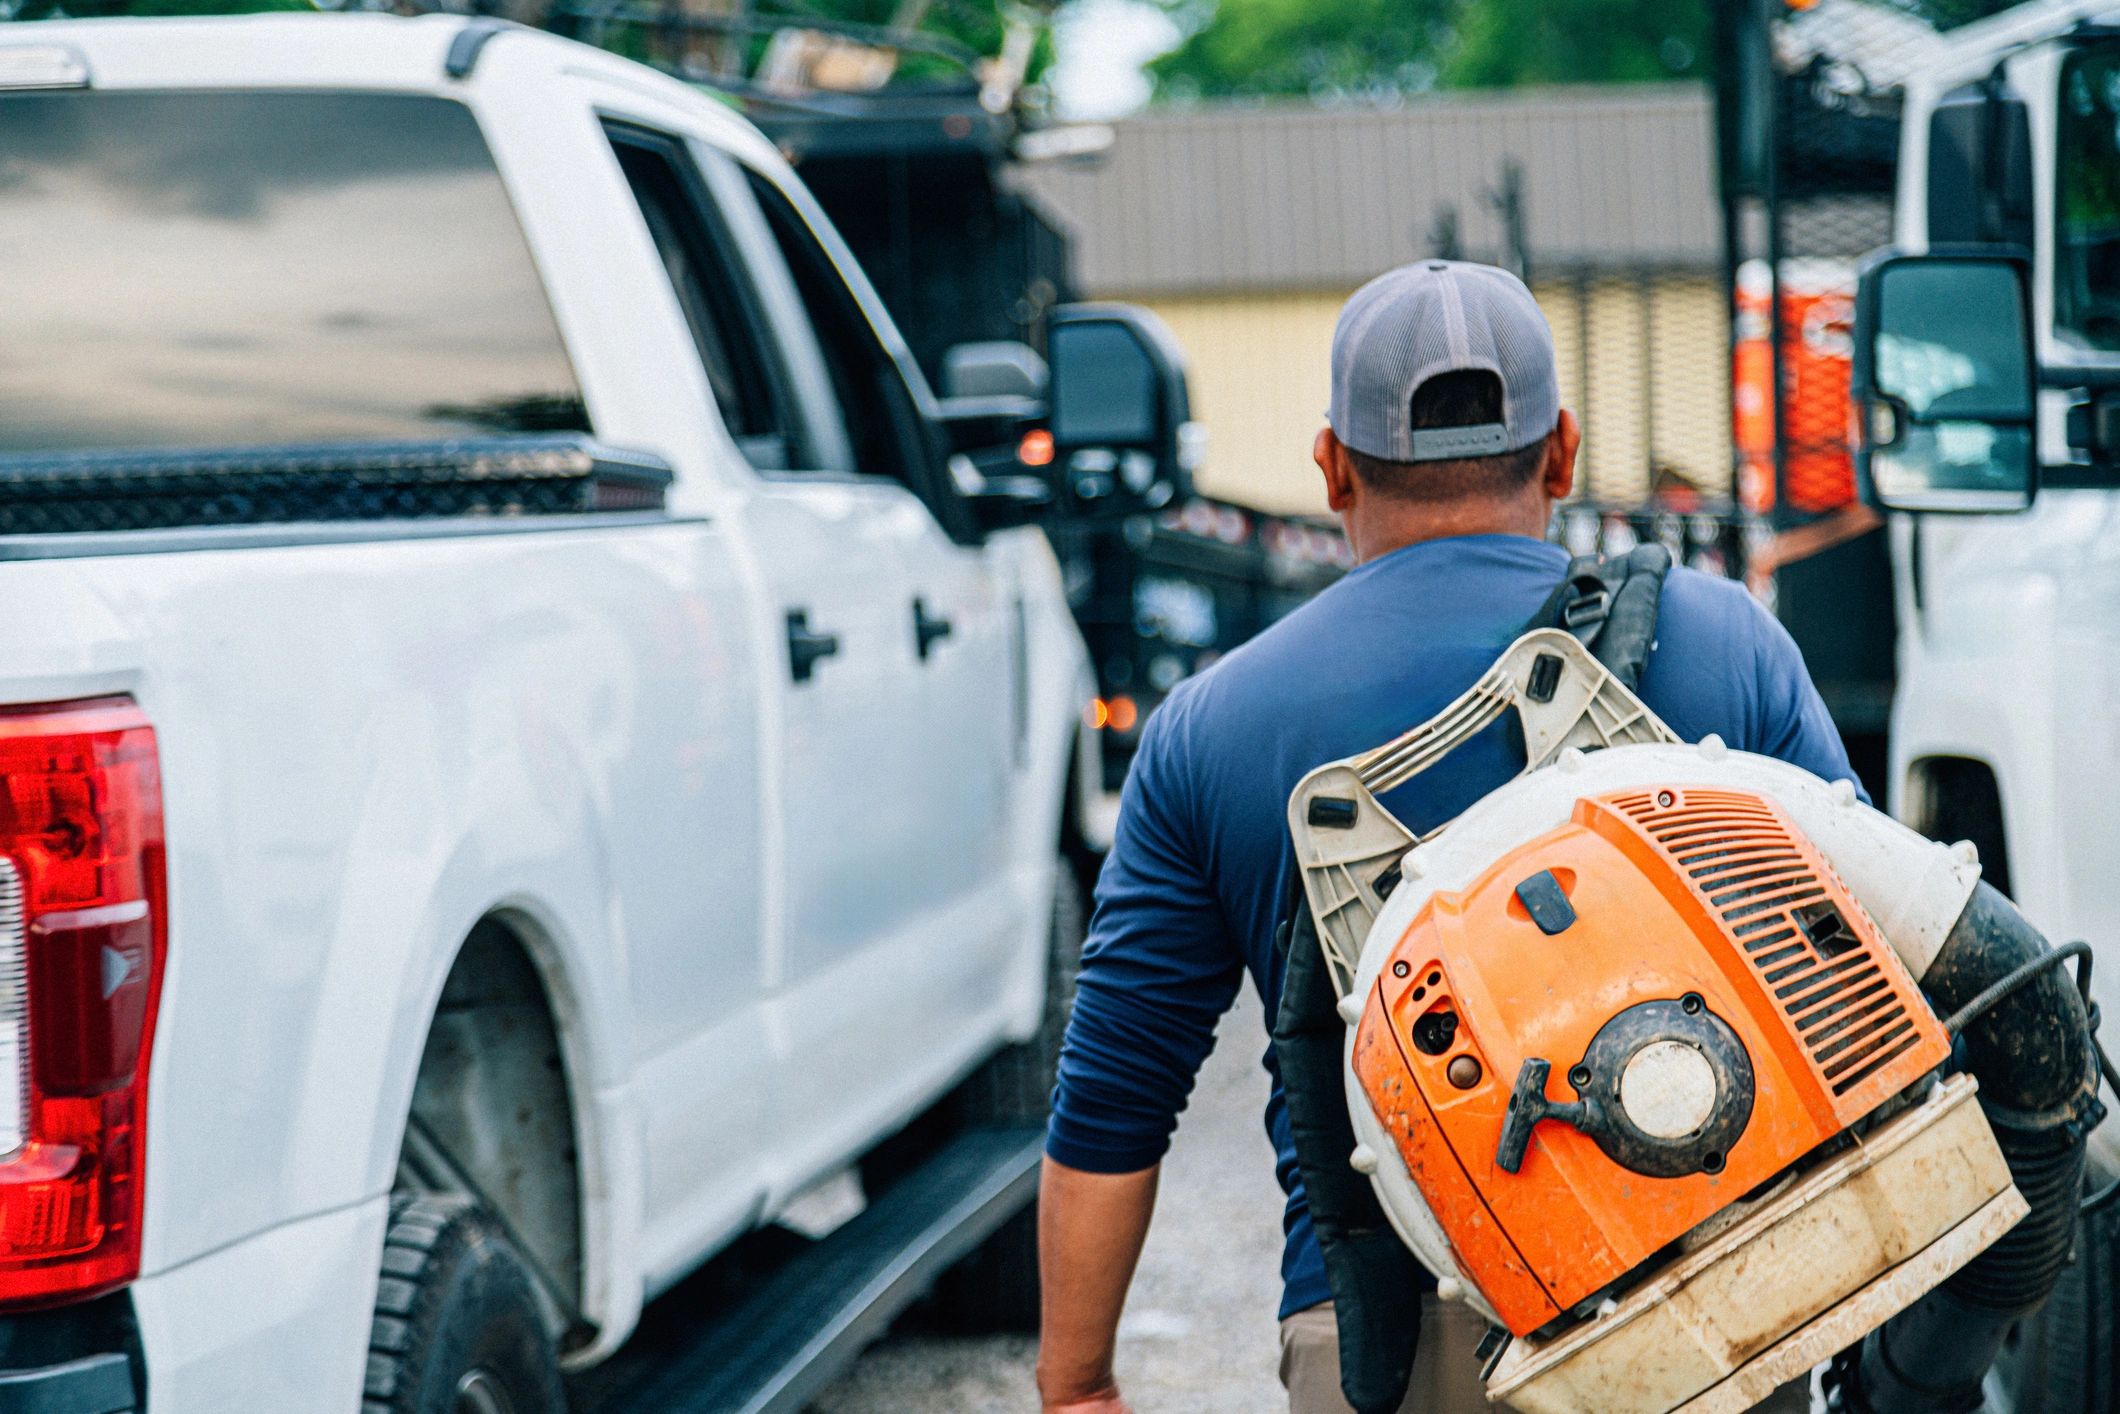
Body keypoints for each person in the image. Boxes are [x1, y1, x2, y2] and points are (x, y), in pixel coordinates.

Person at [1034, 260, 1859, 1414]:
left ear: (1329, 467)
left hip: (1379, 1345)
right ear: (1561, 451)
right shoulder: (1727, 642)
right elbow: (1865, 959)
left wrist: (1077, 1384)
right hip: (1703, 1306)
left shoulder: (1212, 727)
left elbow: (1114, 1095)